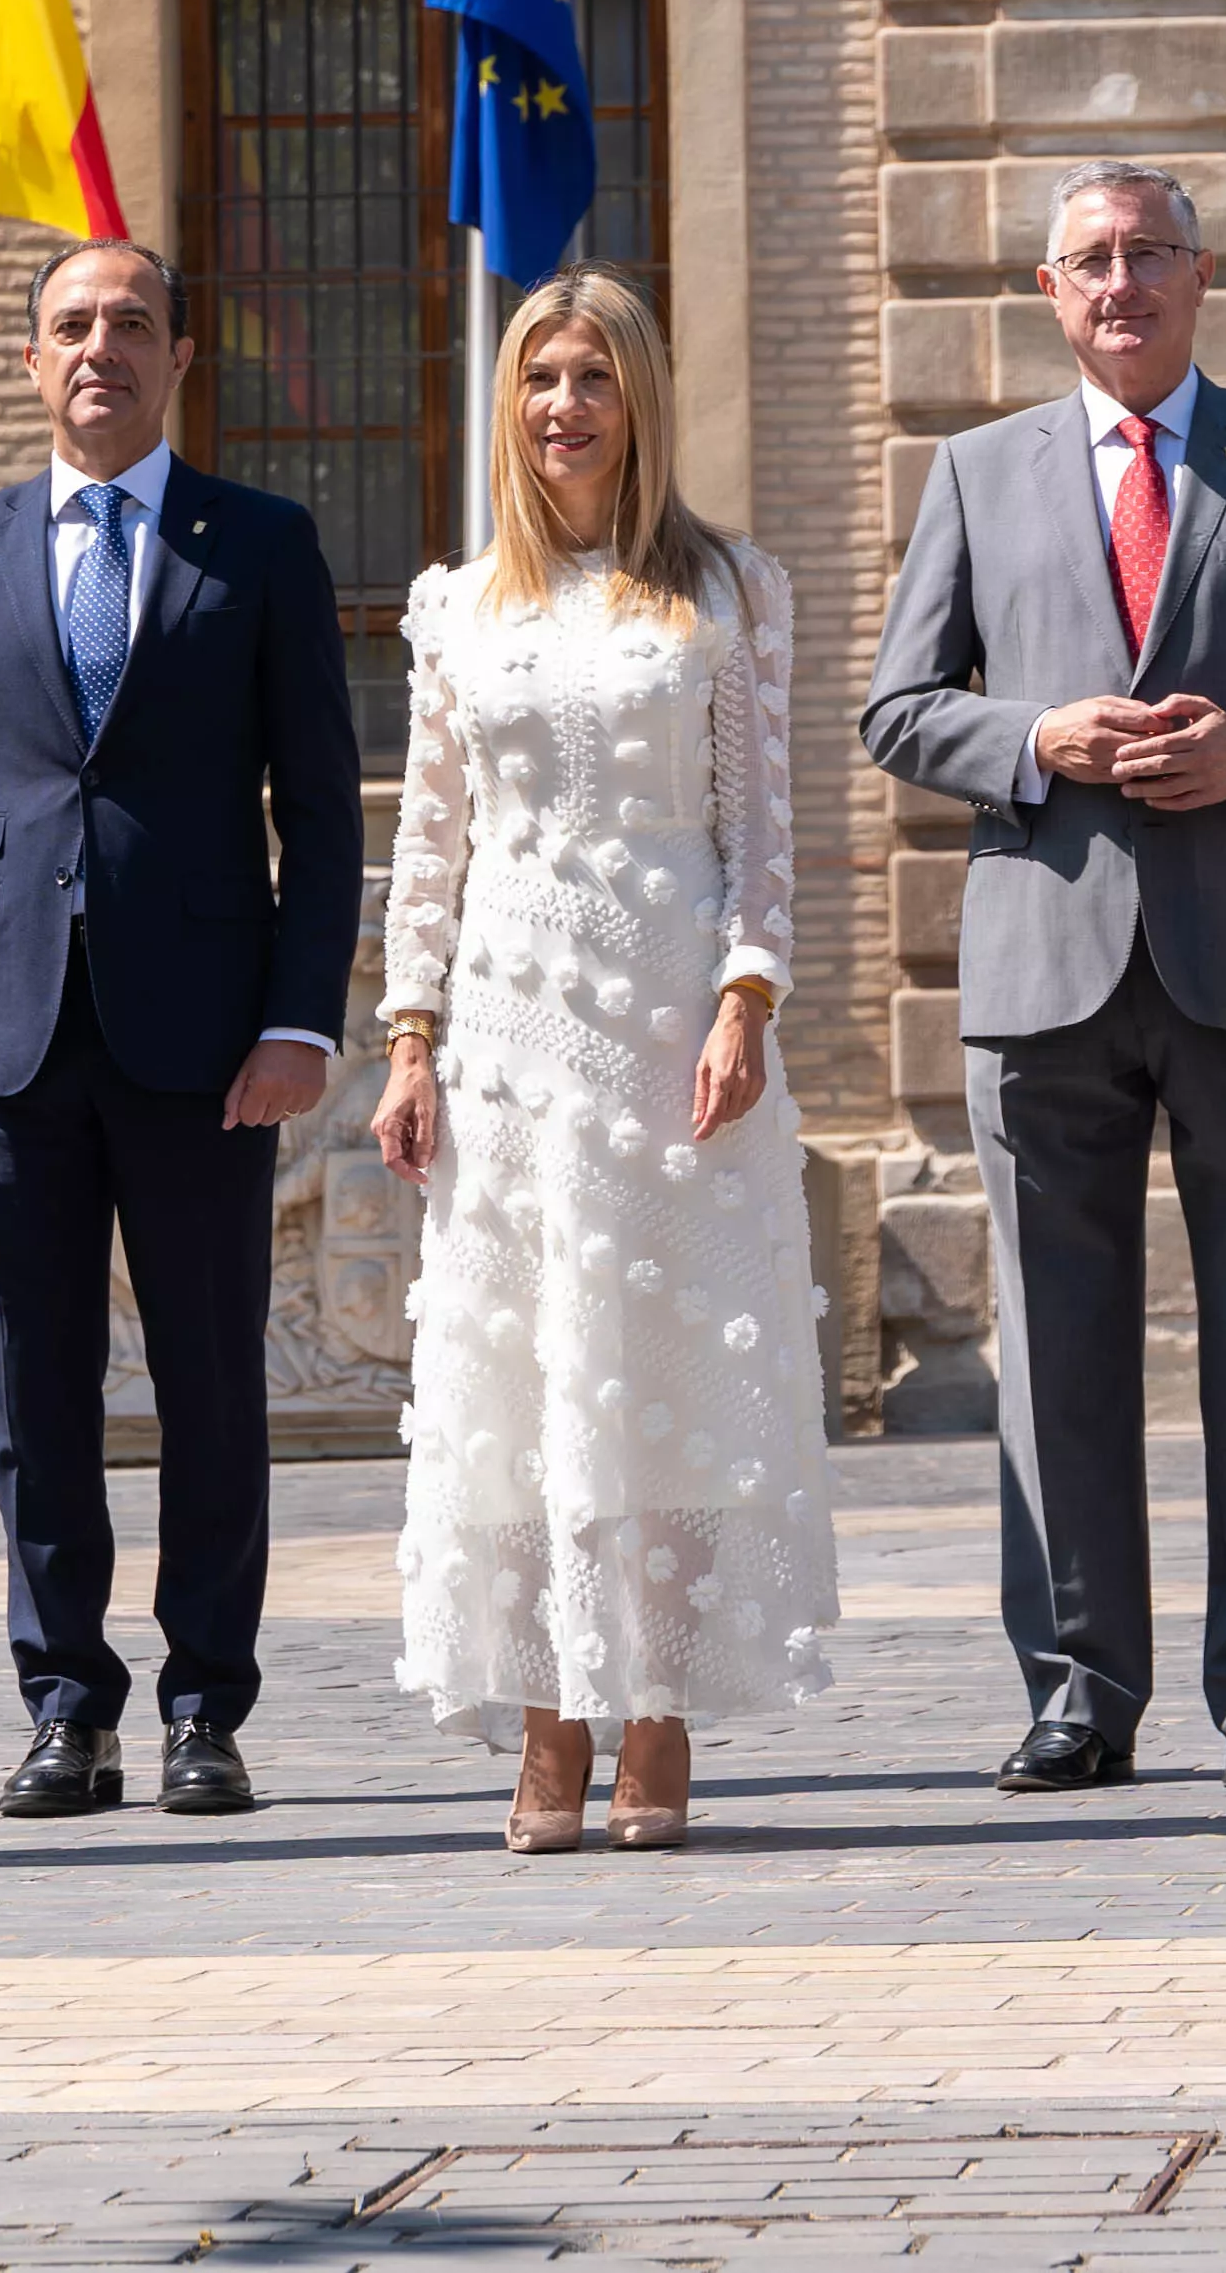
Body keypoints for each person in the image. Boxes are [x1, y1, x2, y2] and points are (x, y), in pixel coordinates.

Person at [859, 158, 1226, 1796]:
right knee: (1060, 1346)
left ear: (1201, 272)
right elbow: (898, 706)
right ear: (1048, 289)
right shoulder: (975, 469)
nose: (1122, 284)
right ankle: (1082, 1685)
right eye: (1090, 259)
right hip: (1045, 961)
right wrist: (1032, 735)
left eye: (1150, 253)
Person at [0, 239, 364, 1825]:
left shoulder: (261, 545)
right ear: (31, 362)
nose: (101, 348)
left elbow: (324, 812)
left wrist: (300, 1015)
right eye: (72, 325)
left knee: (214, 1380)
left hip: (210, 1040)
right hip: (9, 1033)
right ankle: (65, 1701)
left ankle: (207, 1703)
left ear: (179, 355)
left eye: (131, 324)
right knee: (37, 1388)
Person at [367, 266, 841, 1852]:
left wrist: (746, 998)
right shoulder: (459, 601)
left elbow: (759, 827)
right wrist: (409, 1035)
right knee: (524, 1373)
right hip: (505, 1029)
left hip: (664, 1024)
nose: (564, 403)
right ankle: (546, 1719)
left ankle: (658, 1715)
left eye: (593, 376)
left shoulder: (723, 591)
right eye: (540, 376)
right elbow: (430, 841)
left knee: (665, 1373)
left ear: (641, 396)